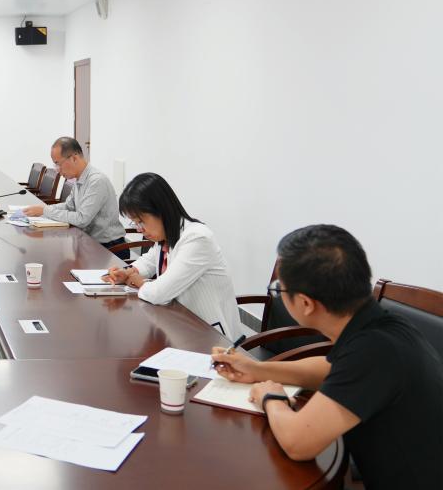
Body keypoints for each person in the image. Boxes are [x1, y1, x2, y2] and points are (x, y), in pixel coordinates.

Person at [211, 225, 442, 489]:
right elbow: (331, 369)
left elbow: (298, 443)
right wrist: (257, 370)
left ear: (306, 304)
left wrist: (271, 398)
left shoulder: (372, 352)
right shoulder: (381, 327)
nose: (278, 294)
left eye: (279, 289)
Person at [106, 172, 241, 339]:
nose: (139, 229)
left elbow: (159, 293)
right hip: (179, 324)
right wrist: (128, 272)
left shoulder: (197, 238)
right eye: (135, 223)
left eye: (141, 221)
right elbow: (149, 261)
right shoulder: (167, 234)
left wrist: (139, 282)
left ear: (160, 210)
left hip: (211, 336)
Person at [23, 137, 128, 259]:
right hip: (88, 243)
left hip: (109, 249)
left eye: (58, 164)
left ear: (74, 158)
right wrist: (42, 209)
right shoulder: (79, 179)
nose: (57, 170)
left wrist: (45, 211)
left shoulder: (96, 181)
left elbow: (82, 219)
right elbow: (69, 206)